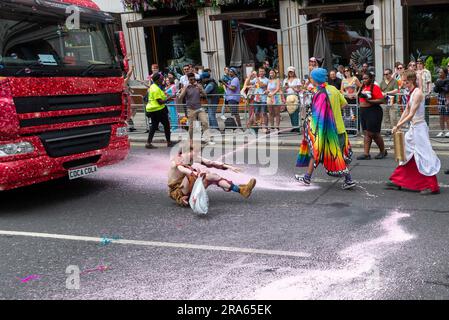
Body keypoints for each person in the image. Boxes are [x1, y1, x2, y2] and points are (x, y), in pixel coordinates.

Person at [295, 68, 355, 190]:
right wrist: (335, 111)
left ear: (315, 79)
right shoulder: (333, 89)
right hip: (340, 128)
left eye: (311, 77)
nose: (310, 79)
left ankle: (308, 178)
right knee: (338, 155)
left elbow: (317, 115)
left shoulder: (320, 93)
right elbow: (345, 104)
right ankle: (308, 177)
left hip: (326, 130)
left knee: (317, 152)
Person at [388, 70, 441, 194]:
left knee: (424, 155)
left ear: (411, 80)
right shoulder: (411, 92)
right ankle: (399, 180)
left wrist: (398, 125)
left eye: (405, 81)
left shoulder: (417, 93)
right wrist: (397, 125)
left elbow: (411, 114)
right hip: (413, 128)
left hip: (420, 128)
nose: (403, 83)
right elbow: (407, 110)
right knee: (407, 153)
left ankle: (431, 185)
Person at [168, 144, 257, 207]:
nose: (197, 154)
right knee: (193, 175)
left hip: (189, 188)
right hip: (179, 192)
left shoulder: (192, 157)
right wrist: (196, 173)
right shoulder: (176, 161)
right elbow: (183, 169)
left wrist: (229, 167)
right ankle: (190, 199)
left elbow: (210, 162)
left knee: (212, 176)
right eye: (194, 152)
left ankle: (241, 190)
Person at [357, 72, 387, 160]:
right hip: (364, 111)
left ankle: (382, 151)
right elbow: (357, 95)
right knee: (366, 132)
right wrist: (361, 87)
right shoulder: (363, 87)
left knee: (374, 133)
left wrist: (370, 101)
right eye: (363, 79)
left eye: (366, 78)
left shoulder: (375, 87)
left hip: (373, 111)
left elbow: (382, 100)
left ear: (370, 78)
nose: (364, 80)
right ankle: (366, 154)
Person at [145, 73, 174, 149]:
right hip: (158, 110)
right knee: (166, 125)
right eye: (161, 79)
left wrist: (166, 97)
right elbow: (160, 102)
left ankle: (148, 143)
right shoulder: (156, 89)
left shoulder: (153, 86)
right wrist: (168, 99)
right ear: (157, 80)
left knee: (154, 126)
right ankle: (169, 142)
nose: (163, 80)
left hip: (153, 109)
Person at [179, 73, 209, 139]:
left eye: (193, 79)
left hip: (199, 108)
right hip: (191, 109)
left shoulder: (199, 86)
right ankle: (190, 139)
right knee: (192, 126)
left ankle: (206, 138)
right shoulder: (186, 87)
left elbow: (205, 95)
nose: (192, 81)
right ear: (188, 80)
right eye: (190, 80)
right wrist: (185, 88)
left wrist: (200, 89)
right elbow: (180, 97)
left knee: (205, 122)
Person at [250, 67, 269, 132]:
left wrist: (256, 76)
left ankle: (266, 127)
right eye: (260, 71)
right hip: (256, 99)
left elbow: (261, 85)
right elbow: (248, 82)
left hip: (263, 99)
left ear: (265, 72)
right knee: (256, 113)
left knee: (264, 113)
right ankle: (258, 126)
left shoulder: (266, 80)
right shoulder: (255, 79)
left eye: (262, 71)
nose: (261, 73)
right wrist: (250, 75)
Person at [283, 66, 301, 133]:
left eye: (292, 72)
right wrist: (286, 87)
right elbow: (283, 89)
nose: (291, 73)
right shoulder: (285, 80)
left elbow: (299, 89)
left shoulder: (297, 79)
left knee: (295, 112)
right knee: (290, 112)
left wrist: (293, 88)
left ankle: (297, 127)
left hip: (294, 96)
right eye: (289, 72)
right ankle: (294, 126)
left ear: (294, 72)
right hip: (288, 97)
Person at [434, 68, 449, 137]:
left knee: (447, 116)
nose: (439, 74)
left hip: (446, 99)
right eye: (439, 72)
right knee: (441, 116)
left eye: (441, 72)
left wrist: (440, 85)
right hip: (440, 98)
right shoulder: (438, 80)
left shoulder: (448, 80)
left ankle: (448, 131)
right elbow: (436, 90)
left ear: (445, 73)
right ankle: (442, 131)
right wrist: (440, 85)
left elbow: (447, 89)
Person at [124, 65, 137, 132]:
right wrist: (131, 69)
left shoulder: (124, 82)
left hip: (128, 97)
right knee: (128, 112)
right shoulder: (123, 81)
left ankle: (130, 125)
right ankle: (129, 125)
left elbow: (128, 76)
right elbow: (128, 75)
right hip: (125, 99)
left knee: (133, 109)